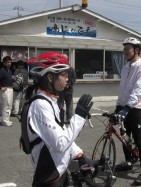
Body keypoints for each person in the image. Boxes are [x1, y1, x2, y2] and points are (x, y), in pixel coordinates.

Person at [25, 51, 93, 187]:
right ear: (50, 77)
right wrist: (79, 117)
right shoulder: (40, 105)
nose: (67, 79)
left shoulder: (51, 101)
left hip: (59, 170)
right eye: (64, 74)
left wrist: (78, 154)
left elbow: (61, 131)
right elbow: (60, 143)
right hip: (48, 176)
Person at [114, 37, 141, 186]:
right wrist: (118, 107)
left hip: (136, 108)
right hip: (124, 107)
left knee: (139, 140)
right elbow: (122, 89)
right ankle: (128, 162)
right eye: (124, 49)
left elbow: (138, 90)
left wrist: (127, 107)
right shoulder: (125, 67)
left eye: (127, 49)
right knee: (124, 137)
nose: (124, 52)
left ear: (136, 50)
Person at [0, 56, 14, 126]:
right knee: (6, 105)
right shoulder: (2, 70)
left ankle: (7, 120)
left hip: (10, 89)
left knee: (10, 105)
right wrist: (0, 87)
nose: (9, 63)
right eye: (7, 62)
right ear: (4, 63)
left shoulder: (9, 71)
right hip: (6, 90)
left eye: (10, 62)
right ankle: (5, 121)